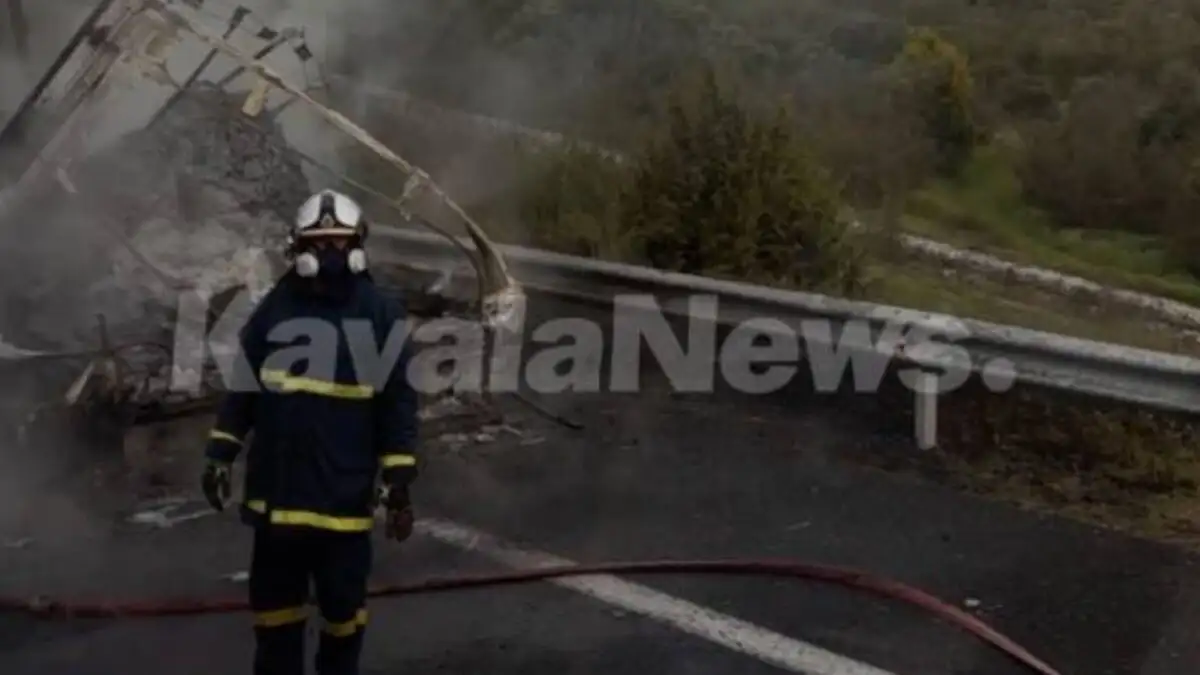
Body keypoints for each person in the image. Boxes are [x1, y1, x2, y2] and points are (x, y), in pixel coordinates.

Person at [200, 189, 419, 675]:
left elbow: (398, 403)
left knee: (343, 619)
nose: (330, 254)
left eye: (339, 243)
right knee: (275, 619)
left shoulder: (380, 315)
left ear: (358, 247)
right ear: (297, 248)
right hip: (277, 504)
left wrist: (399, 480)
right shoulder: (275, 310)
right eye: (319, 244)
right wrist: (221, 452)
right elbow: (244, 389)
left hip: (343, 505)